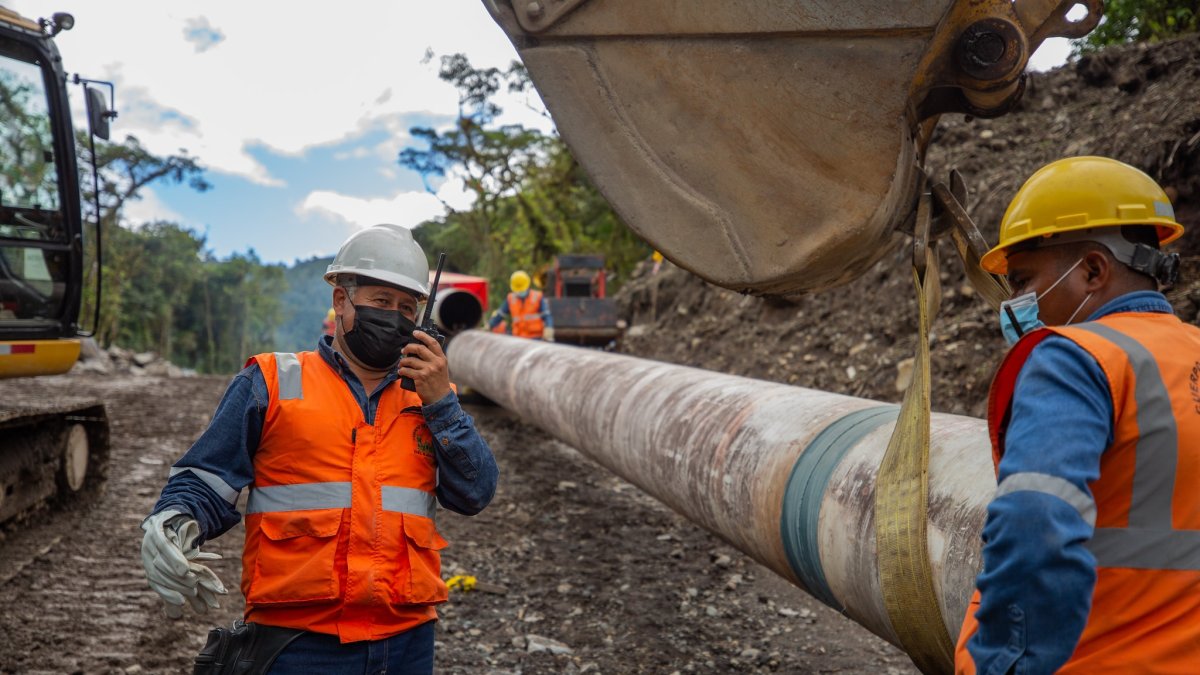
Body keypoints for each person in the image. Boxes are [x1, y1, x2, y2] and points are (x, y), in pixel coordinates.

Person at [140, 223, 499, 674]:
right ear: (341, 300)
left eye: (406, 308)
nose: (394, 316)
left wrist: (442, 404)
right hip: (298, 644)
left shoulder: (430, 399)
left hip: (407, 643)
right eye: (380, 301)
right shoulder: (270, 382)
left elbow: (475, 493)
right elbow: (206, 479)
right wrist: (175, 518)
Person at [954, 156, 1200, 674]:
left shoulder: (1075, 358)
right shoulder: (1190, 352)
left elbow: (1035, 522)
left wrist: (1004, 663)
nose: (1015, 302)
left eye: (1023, 280)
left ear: (1092, 270)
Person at [487, 269, 554, 341]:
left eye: (521, 289)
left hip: (535, 338)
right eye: (518, 290)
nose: (520, 291)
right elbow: (500, 314)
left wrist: (549, 328)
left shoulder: (537, 297)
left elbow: (547, 315)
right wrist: (489, 325)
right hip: (518, 339)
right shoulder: (511, 299)